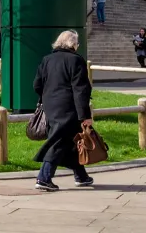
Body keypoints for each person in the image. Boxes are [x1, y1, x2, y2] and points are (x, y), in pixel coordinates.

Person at [31, 29, 95, 192]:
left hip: (51, 106)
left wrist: (48, 98)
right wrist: (85, 116)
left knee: (72, 141)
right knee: (59, 141)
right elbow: (81, 90)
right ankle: (44, 178)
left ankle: (81, 176)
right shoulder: (76, 60)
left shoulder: (47, 59)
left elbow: (37, 84)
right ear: (73, 44)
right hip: (69, 108)